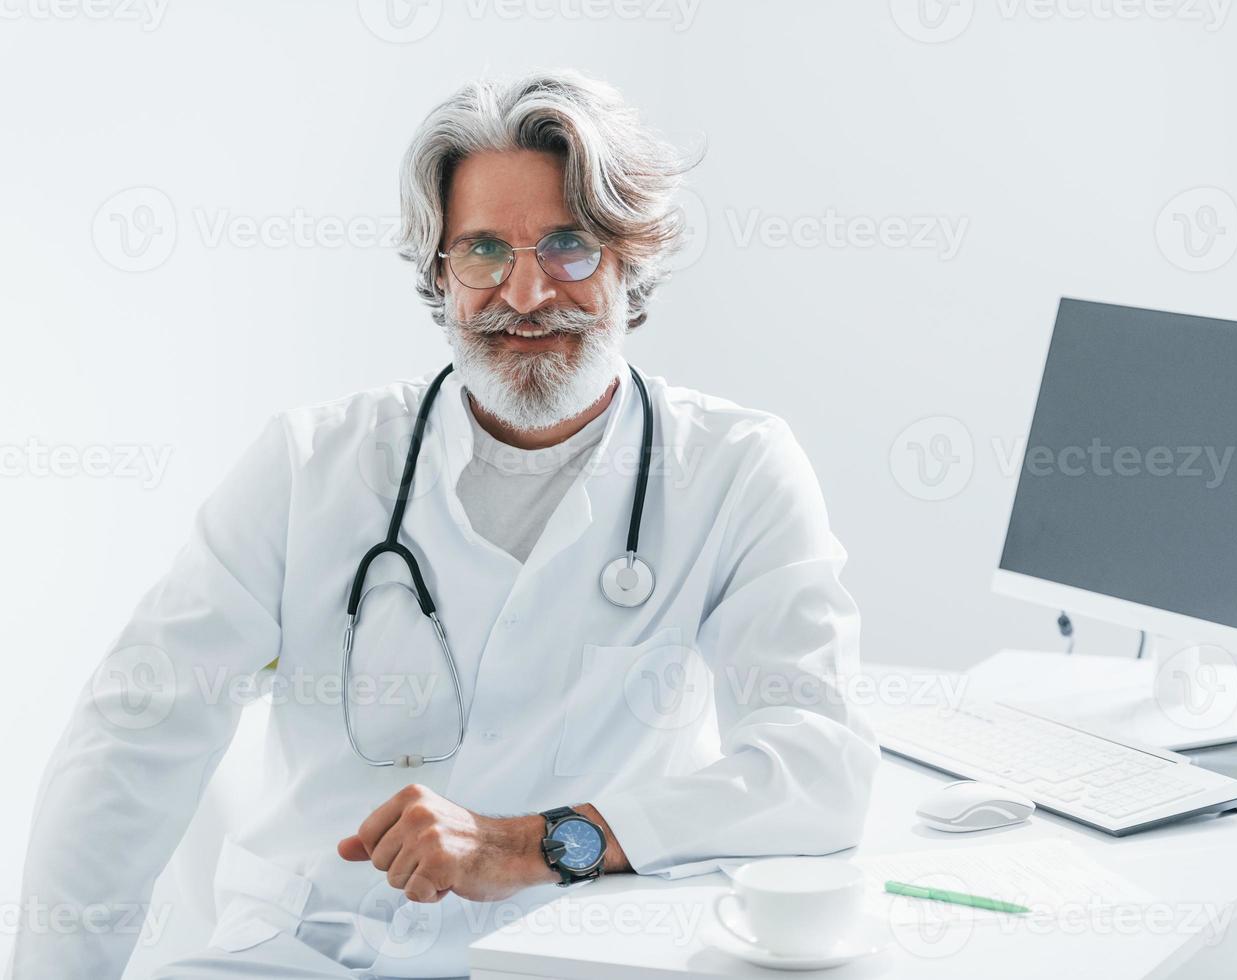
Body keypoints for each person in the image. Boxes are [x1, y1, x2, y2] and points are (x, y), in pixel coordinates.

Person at [8, 69, 879, 979]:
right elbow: (135, 733)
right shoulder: (311, 465)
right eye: (484, 251)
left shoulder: (735, 469)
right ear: (439, 271)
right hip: (308, 954)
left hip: (569, 957)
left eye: (570, 245)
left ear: (631, 261)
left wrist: (533, 844)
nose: (529, 292)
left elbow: (817, 765)